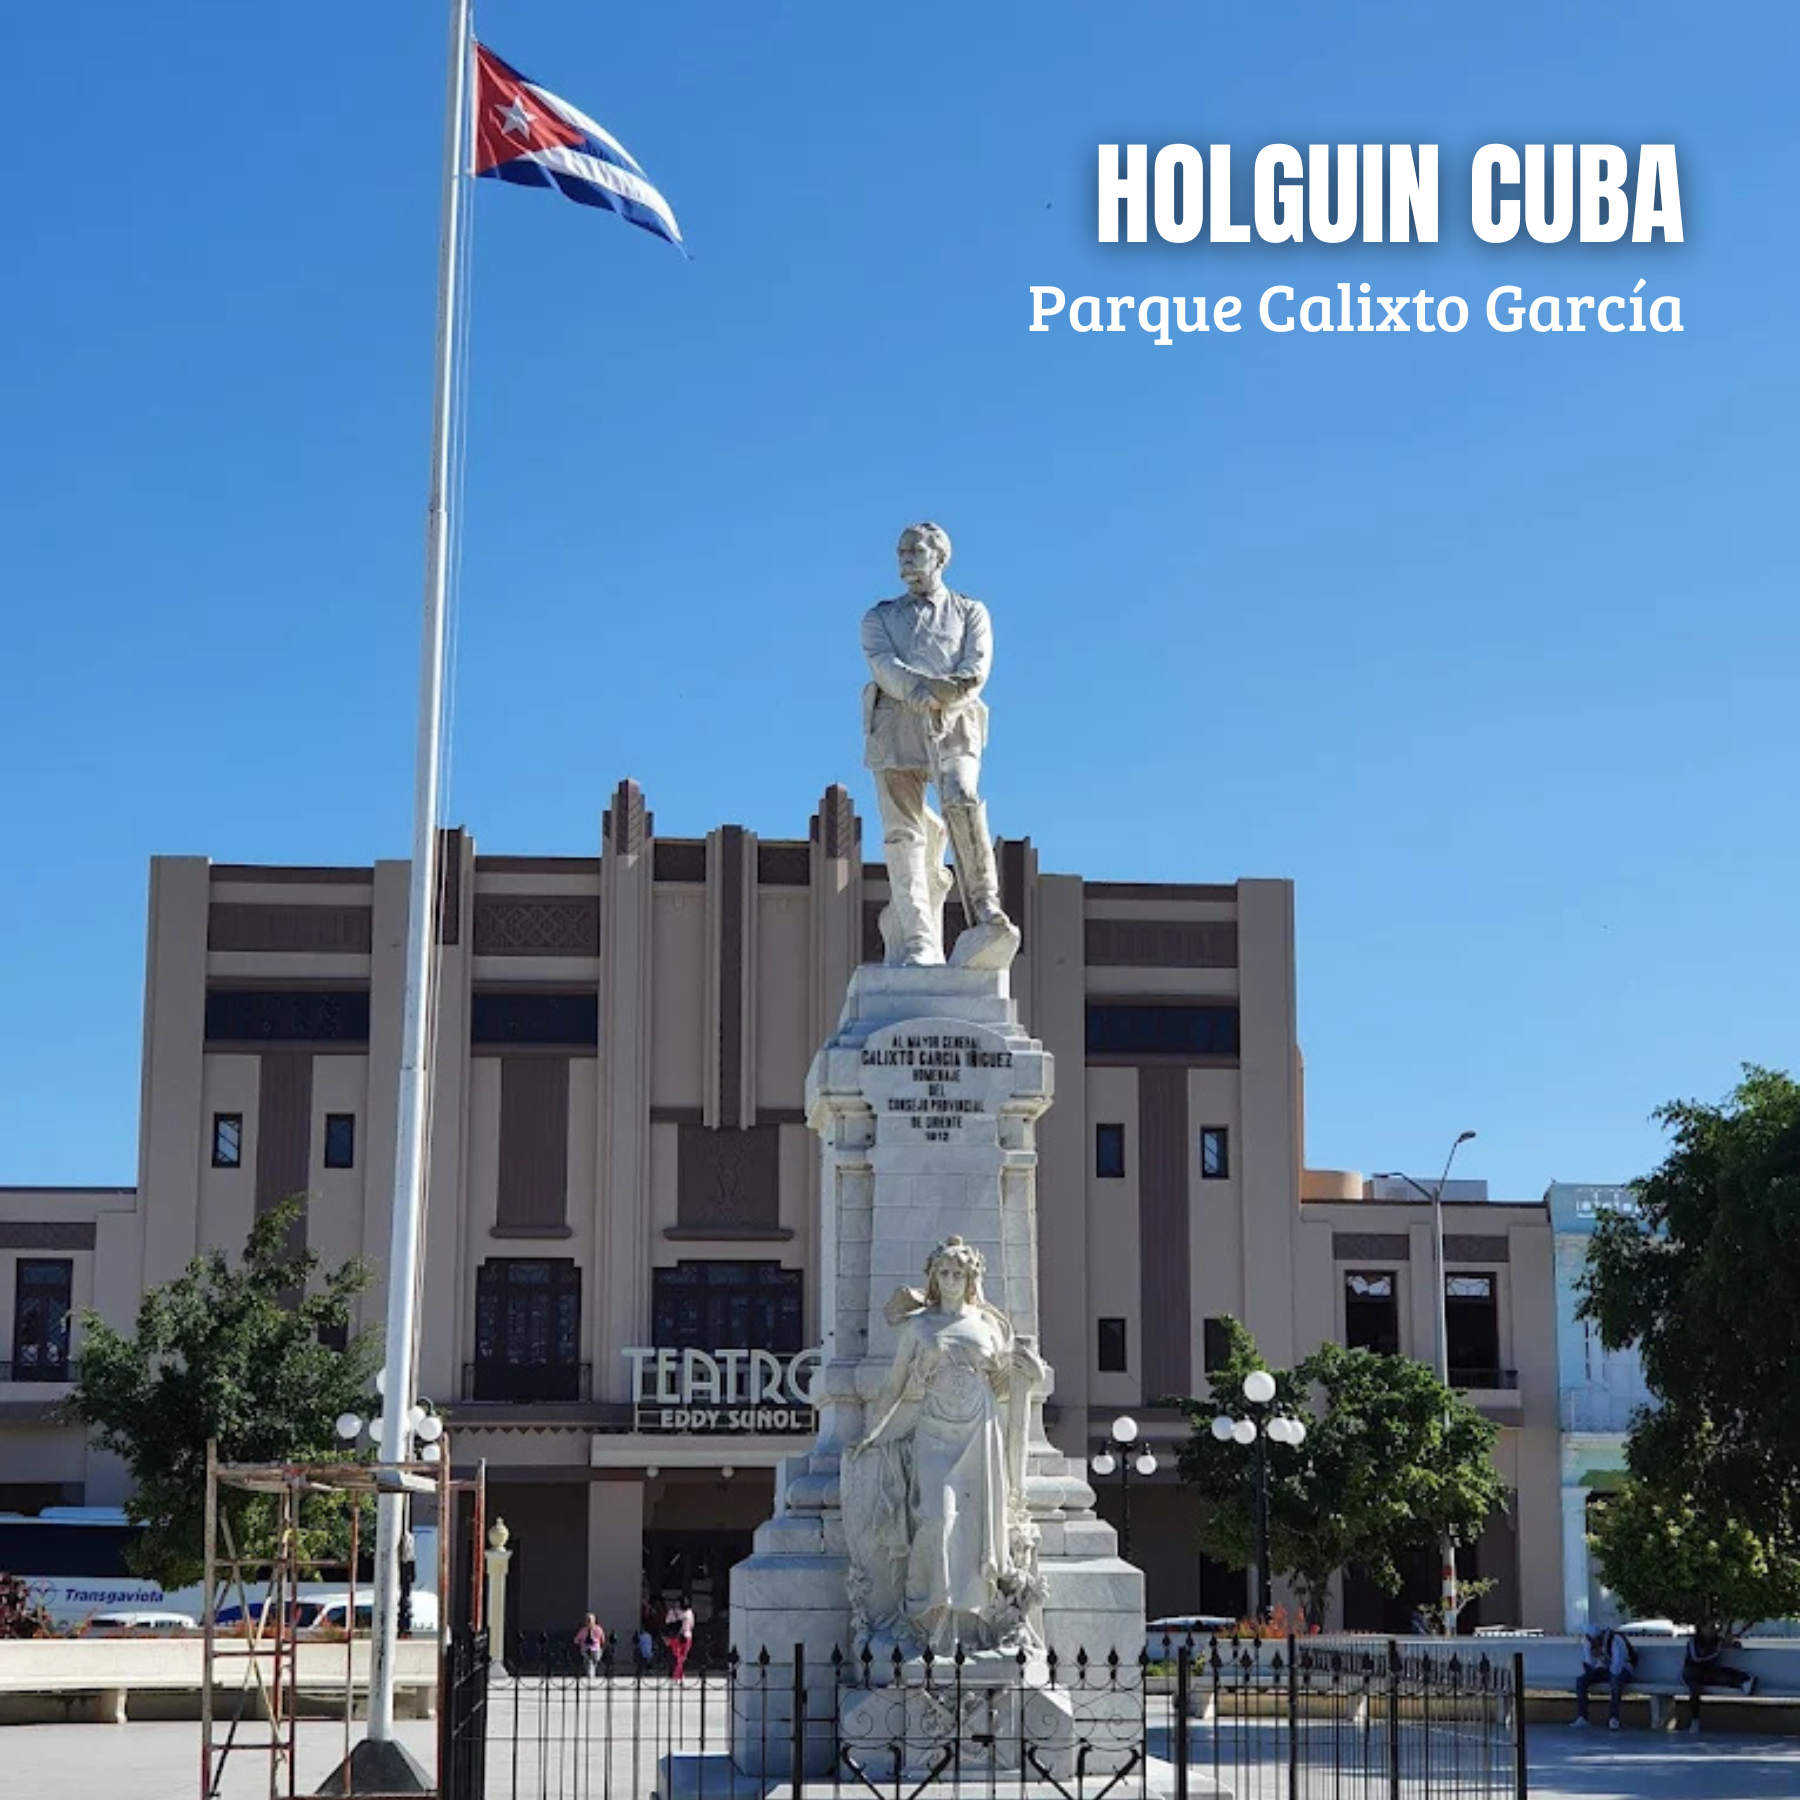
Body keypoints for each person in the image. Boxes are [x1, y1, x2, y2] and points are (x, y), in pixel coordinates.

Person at [845, 1235, 1046, 1657]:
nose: (951, 1279)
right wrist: (872, 1433)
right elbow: (894, 1385)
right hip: (934, 1433)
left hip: (979, 1433)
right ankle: (925, 1617)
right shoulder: (919, 1326)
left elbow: (1004, 1382)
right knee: (937, 1520)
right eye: (944, 1272)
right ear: (933, 1277)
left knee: (975, 1531)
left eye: (958, 1273)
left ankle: (968, 1627)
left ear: (971, 1279)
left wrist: (1030, 1374)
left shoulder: (988, 1325)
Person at [860, 522, 1019, 971]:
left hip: (955, 720)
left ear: (940, 557)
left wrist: (943, 697)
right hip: (895, 724)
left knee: (962, 799)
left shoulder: (970, 611)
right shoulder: (879, 617)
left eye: (915, 550)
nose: (906, 559)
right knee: (903, 834)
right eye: (901, 552)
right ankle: (918, 941)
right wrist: (920, 693)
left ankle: (985, 908)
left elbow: (975, 669)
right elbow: (883, 664)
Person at [1682, 1625, 1756, 1732]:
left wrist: (1733, 1644)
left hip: (1708, 1673)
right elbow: (1697, 1657)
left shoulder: (1716, 1641)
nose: (1713, 1630)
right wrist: (1718, 1648)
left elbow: (1726, 1646)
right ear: (1702, 1629)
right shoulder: (1693, 1642)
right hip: (1692, 1674)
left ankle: (1745, 1682)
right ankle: (1695, 1722)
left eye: (1715, 1628)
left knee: (1724, 1674)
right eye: (1711, 1627)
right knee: (1695, 1690)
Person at [1571, 1624, 1632, 1730]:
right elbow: (1590, 1662)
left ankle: (1614, 1718)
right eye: (1591, 1640)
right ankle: (1583, 1717)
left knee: (1615, 1682)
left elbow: (1617, 1665)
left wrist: (1604, 1664)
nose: (1593, 1642)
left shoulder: (1615, 1640)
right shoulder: (1588, 1641)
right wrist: (1594, 1657)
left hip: (1623, 1669)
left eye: (1595, 1640)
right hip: (1604, 1668)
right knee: (1581, 1681)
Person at [663, 1595, 694, 1682]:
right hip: (686, 1636)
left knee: (678, 1657)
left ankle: (678, 1675)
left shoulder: (672, 1612)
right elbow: (692, 1625)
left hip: (675, 1636)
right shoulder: (689, 1613)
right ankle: (677, 1675)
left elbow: (667, 1623)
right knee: (681, 1657)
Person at [574, 1612, 606, 1679]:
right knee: (589, 1662)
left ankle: (593, 1673)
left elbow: (602, 1639)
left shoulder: (598, 1629)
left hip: (595, 1649)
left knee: (594, 1662)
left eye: (590, 1620)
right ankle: (591, 1675)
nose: (589, 1622)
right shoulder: (583, 1630)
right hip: (586, 1649)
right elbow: (576, 1640)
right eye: (588, 1620)